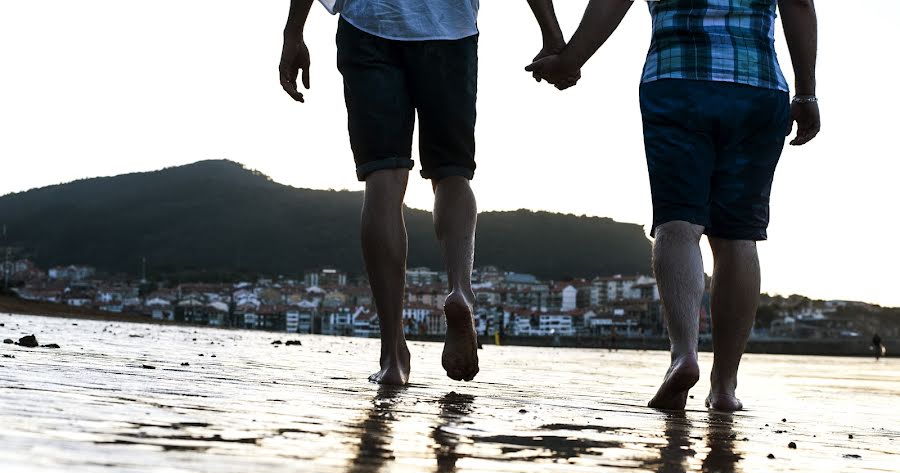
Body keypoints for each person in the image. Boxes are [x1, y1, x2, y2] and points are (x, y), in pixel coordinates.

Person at [527, 0, 820, 412]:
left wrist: (570, 59)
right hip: (756, 86)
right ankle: (724, 387)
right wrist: (806, 91)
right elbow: (799, 4)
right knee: (738, 238)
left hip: (676, 80)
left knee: (677, 225)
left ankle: (683, 355)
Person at [279, 1, 569, 385]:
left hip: (370, 23)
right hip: (450, 28)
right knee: (453, 175)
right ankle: (460, 291)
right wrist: (551, 33)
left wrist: (293, 32)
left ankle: (393, 355)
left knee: (383, 183)